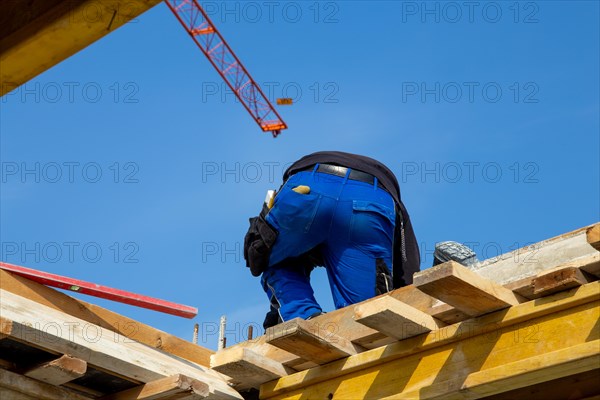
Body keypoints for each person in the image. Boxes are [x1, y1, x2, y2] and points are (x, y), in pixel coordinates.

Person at [243, 151, 421, 329]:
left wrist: (280, 309)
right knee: (367, 319)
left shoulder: (303, 242)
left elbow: (261, 243)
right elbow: (406, 267)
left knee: (266, 254)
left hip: (306, 188)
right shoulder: (397, 208)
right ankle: (308, 318)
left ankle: (302, 317)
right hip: (370, 199)